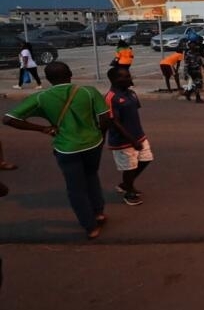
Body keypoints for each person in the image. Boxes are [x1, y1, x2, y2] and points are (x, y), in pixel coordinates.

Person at [3, 62, 110, 239]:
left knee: (75, 188)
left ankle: (90, 227)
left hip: (66, 148)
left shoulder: (41, 97)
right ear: (70, 73)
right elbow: (105, 118)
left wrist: (42, 129)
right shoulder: (88, 92)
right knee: (91, 176)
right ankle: (98, 212)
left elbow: (9, 119)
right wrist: (101, 137)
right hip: (92, 144)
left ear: (48, 79)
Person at [104, 67, 153, 206]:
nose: (128, 79)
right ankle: (129, 192)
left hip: (139, 136)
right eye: (124, 77)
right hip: (123, 140)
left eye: (128, 76)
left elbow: (133, 113)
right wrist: (131, 139)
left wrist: (138, 136)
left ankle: (126, 184)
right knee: (130, 167)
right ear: (114, 80)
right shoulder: (111, 97)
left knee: (146, 159)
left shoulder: (131, 93)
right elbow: (114, 122)